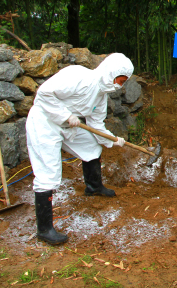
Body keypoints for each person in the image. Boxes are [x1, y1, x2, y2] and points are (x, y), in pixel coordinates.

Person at [26, 53, 134, 245]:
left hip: (68, 127)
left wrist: (113, 140)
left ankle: (94, 187)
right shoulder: (78, 76)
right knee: (48, 173)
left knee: (91, 146)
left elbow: (96, 126)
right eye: (120, 80)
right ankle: (44, 229)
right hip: (45, 122)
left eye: (123, 82)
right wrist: (65, 115)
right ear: (111, 72)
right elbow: (44, 94)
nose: (120, 85)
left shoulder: (101, 97)